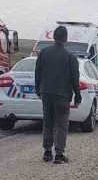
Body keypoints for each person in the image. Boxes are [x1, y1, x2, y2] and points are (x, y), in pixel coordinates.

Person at [35, 25, 82, 164]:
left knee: (48, 122)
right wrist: (78, 96)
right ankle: (59, 154)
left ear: (54, 37)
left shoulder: (43, 53)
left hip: (47, 93)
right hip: (62, 95)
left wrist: (38, 89)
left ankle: (47, 152)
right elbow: (75, 78)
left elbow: (37, 73)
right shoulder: (70, 57)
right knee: (61, 124)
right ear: (66, 38)